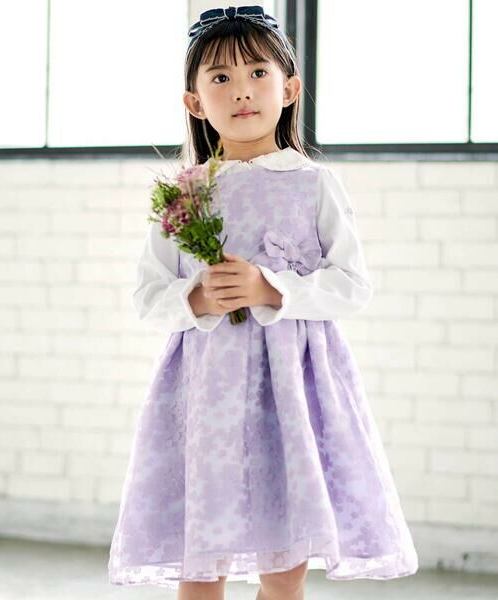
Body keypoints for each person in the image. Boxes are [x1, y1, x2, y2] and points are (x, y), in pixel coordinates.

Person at [107, 5, 419, 599]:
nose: (242, 90)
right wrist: (196, 296)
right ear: (195, 102)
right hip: (206, 396)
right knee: (201, 564)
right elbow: (148, 295)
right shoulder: (186, 192)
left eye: (257, 72)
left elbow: (351, 283)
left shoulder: (313, 183)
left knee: (284, 568)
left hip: (293, 395)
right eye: (220, 78)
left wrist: (272, 288)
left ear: (289, 89)